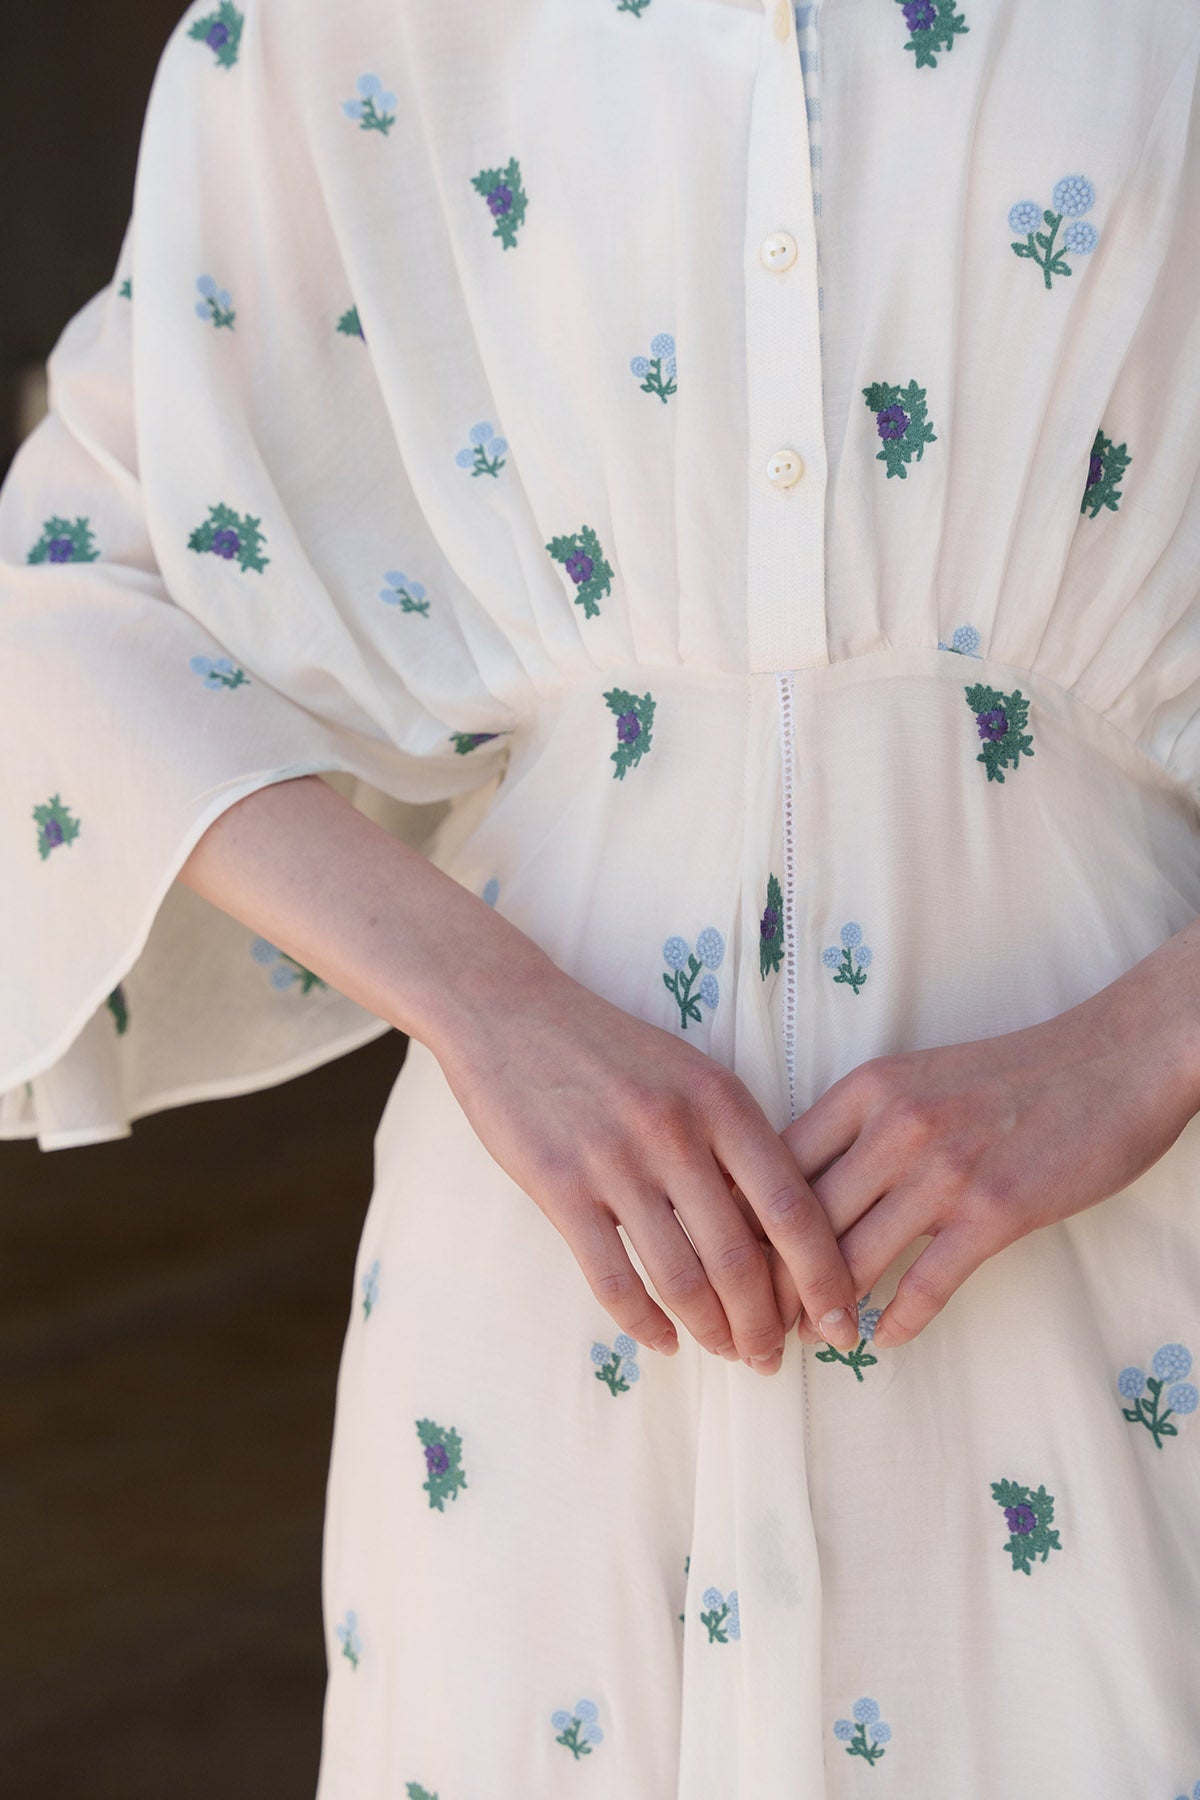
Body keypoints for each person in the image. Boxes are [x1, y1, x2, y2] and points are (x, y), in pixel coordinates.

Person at [3, 1, 1199, 1793]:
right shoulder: (365, 27)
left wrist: (1140, 1046)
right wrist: (495, 1016)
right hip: (544, 1299)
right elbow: (68, 595)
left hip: (1131, 1252)